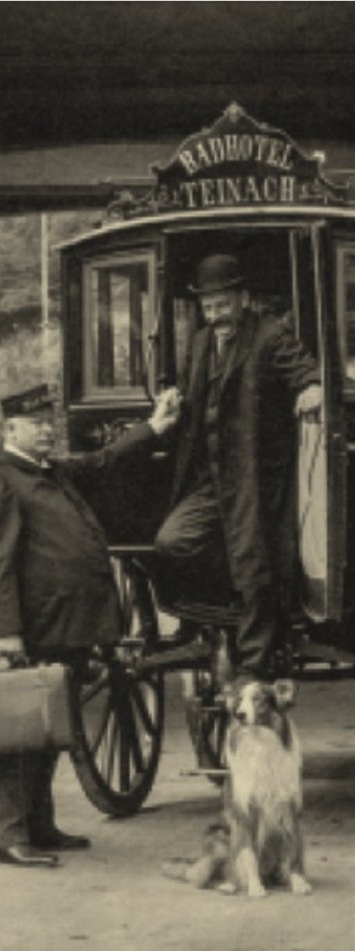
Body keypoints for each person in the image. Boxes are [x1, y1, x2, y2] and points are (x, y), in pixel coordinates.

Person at [0, 383, 180, 868]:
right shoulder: (0, 481)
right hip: (39, 627)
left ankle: (39, 825)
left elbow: (103, 462)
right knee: (23, 731)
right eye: (36, 423)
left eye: (50, 422)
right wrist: (7, 634)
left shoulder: (53, 473)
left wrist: (153, 428)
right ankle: (6, 835)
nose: (47, 430)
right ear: (10, 430)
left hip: (71, 626)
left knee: (52, 730)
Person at [155, 253, 321, 685]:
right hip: (208, 477)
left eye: (223, 305)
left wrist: (310, 387)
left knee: (253, 570)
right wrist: (173, 399)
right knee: (172, 541)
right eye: (208, 308)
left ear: (241, 298)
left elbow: (303, 369)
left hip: (253, 481)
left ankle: (251, 666)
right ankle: (216, 616)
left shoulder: (270, 336)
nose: (216, 315)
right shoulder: (198, 343)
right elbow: (195, 398)